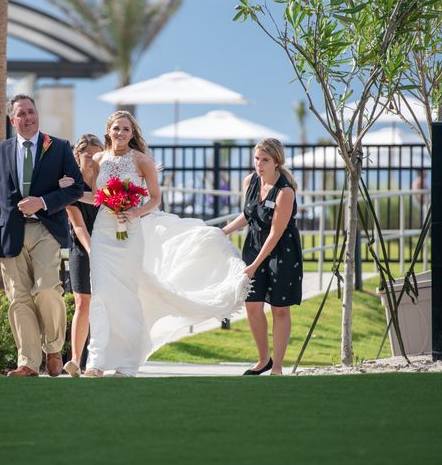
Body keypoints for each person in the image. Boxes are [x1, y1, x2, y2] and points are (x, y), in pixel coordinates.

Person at [81, 111, 250, 378]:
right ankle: (96, 361)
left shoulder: (142, 161)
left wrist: (134, 212)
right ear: (108, 131)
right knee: (100, 294)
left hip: (130, 235)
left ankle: (127, 363)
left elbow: (156, 198)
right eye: (116, 128)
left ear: (132, 133)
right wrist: (72, 193)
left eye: (126, 129)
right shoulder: (99, 159)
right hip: (103, 233)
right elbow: (98, 198)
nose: (121, 133)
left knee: (126, 297)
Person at [0, 94, 84, 377]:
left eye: (31, 112)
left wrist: (43, 201)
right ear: (12, 120)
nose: (28, 118)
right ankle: (27, 361)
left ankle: (53, 348)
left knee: (47, 288)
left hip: (46, 229)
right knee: (19, 297)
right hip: (8, 234)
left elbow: (77, 188)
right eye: (21, 114)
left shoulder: (59, 147)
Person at [222, 138, 303, 376]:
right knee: (253, 305)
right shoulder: (250, 181)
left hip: (282, 252)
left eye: (265, 160)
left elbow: (276, 233)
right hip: (254, 246)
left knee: (280, 309)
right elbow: (248, 214)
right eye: (257, 158)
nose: (259, 164)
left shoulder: (285, 192)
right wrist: (224, 231)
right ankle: (263, 359)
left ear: (277, 162)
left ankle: (277, 367)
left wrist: (255, 265)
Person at [62, 134, 104, 378]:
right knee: (82, 302)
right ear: (77, 155)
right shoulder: (70, 185)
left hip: (107, 248)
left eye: (97, 154)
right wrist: (91, 251)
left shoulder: (104, 181)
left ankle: (96, 361)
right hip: (81, 247)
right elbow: (78, 225)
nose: (92, 158)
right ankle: (76, 361)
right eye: (87, 154)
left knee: (103, 303)